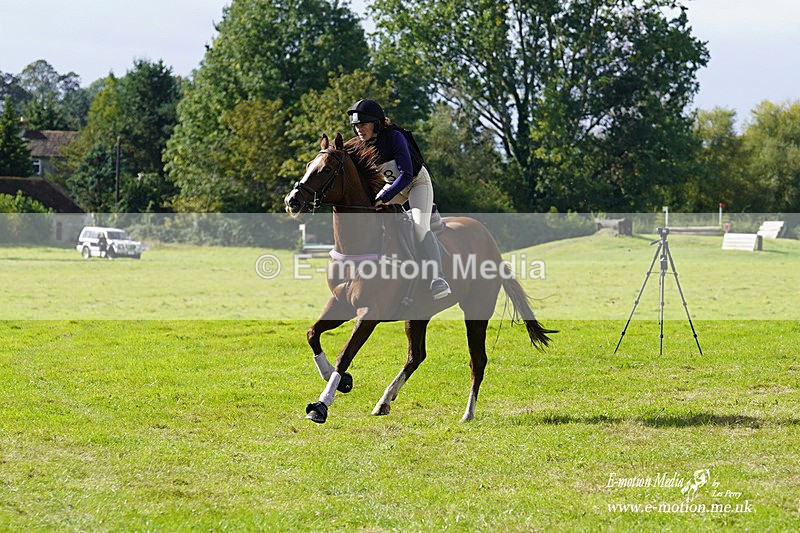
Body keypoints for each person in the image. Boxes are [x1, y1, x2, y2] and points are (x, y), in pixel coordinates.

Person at [347, 99, 451, 300]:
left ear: (376, 123)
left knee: (419, 227)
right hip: (394, 185)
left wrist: (384, 197)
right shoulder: (360, 144)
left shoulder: (394, 136)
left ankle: (438, 278)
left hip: (416, 183)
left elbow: (407, 175)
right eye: (356, 125)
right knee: (370, 214)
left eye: (363, 124)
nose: (359, 129)